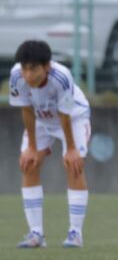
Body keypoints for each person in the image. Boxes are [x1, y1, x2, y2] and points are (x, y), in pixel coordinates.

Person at [9, 39, 91, 248]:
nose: (28, 75)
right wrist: (32, 148)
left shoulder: (61, 77)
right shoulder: (17, 76)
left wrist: (71, 149)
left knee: (73, 165)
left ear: (47, 66)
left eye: (33, 69)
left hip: (73, 117)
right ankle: (36, 234)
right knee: (29, 164)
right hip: (41, 118)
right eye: (25, 69)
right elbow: (26, 110)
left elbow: (65, 114)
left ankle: (75, 234)